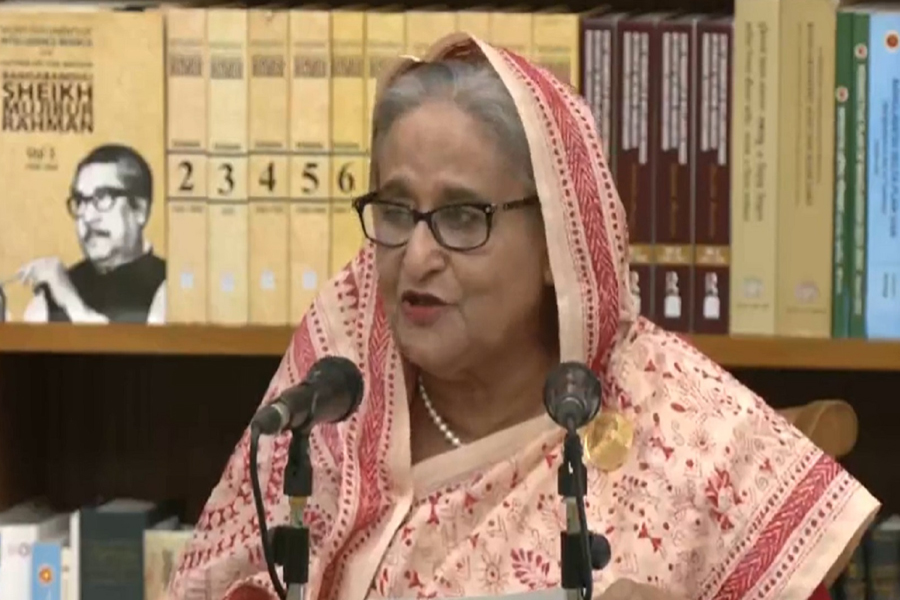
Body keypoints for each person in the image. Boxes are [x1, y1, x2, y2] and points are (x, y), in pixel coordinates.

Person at [167, 33, 879, 600]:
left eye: (461, 215)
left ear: (555, 241)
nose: (417, 257)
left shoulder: (687, 432)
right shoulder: (330, 401)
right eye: (396, 210)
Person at [18, 143, 166, 324]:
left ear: (140, 210)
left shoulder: (170, 288)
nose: (87, 217)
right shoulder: (49, 296)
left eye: (102, 197)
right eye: (80, 201)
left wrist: (70, 300)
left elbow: (127, 343)